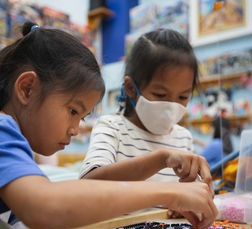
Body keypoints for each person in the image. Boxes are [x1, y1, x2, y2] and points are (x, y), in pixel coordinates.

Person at [0, 23, 217, 229]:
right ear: (27, 89)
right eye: (73, 111)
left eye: (82, 117)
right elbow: (45, 206)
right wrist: (169, 193)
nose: (76, 129)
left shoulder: (7, 140)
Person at [79, 28, 214, 216]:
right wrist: (161, 159)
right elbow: (87, 184)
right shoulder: (112, 128)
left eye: (183, 96)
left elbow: (181, 198)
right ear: (130, 88)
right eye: (160, 95)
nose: (171, 106)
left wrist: (188, 203)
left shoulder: (184, 138)